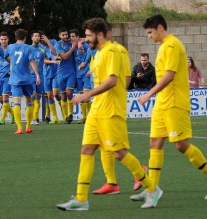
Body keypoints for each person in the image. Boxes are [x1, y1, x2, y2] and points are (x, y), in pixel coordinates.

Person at [56, 18, 162, 211]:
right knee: (86, 150)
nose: (85, 39)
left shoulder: (112, 51)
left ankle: (152, 188)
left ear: (101, 35)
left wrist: (87, 93)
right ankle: (81, 199)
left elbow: (113, 81)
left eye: (88, 36)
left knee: (119, 153)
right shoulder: (97, 53)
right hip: (97, 110)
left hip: (111, 110)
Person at [132, 14, 207, 202]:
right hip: (162, 103)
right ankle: (152, 189)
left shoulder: (173, 45)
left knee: (181, 145)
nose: (149, 36)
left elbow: (169, 76)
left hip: (175, 102)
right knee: (155, 142)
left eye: (150, 32)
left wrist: (149, 94)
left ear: (160, 28)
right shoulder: (163, 47)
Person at [92, 23, 147, 195]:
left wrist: (119, 94)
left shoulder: (118, 50)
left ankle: (141, 173)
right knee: (102, 144)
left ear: (106, 33)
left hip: (112, 104)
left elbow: (126, 76)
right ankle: (111, 183)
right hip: (100, 104)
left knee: (117, 148)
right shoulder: (99, 51)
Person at [5, 29, 40, 134]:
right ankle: (28, 126)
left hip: (15, 80)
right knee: (29, 101)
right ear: (25, 37)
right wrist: (37, 75)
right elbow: (32, 61)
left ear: (15, 37)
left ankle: (19, 128)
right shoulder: (29, 48)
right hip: (27, 79)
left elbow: (4, 56)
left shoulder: (10, 47)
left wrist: (12, 62)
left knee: (16, 103)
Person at [55, 27, 77, 124]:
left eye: (66, 34)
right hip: (60, 73)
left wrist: (79, 41)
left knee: (69, 93)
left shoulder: (71, 41)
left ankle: (71, 114)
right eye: (63, 35)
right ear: (59, 36)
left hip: (71, 72)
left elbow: (80, 39)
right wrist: (72, 48)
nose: (65, 36)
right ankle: (66, 116)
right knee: (63, 95)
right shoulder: (58, 44)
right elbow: (64, 56)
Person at [69, 29, 91, 124]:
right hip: (78, 75)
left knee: (86, 95)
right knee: (81, 95)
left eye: (73, 36)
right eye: (71, 36)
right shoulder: (72, 48)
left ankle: (90, 117)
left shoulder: (86, 46)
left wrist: (90, 69)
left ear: (78, 37)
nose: (71, 38)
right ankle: (84, 117)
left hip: (87, 74)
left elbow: (91, 57)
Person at [0, 31, 15, 125]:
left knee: (5, 97)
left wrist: (11, 71)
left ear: (8, 40)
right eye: (2, 39)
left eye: (5, 39)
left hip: (8, 77)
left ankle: (2, 119)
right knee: (0, 100)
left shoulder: (11, 49)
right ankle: (13, 114)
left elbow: (15, 62)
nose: (3, 41)